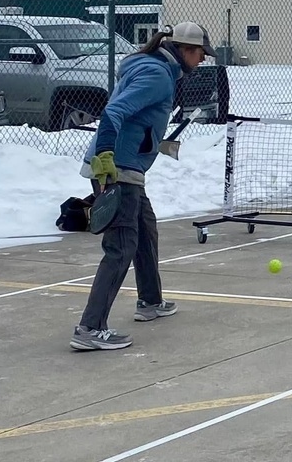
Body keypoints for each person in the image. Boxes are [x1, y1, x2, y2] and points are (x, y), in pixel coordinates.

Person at [70, 22, 215, 352]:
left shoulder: (152, 68)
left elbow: (136, 118)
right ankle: (89, 328)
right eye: (200, 54)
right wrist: (107, 156)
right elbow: (114, 113)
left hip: (126, 165)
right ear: (185, 50)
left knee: (145, 229)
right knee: (121, 246)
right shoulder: (158, 75)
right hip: (117, 169)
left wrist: (153, 142)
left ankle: (150, 301)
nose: (203, 60)